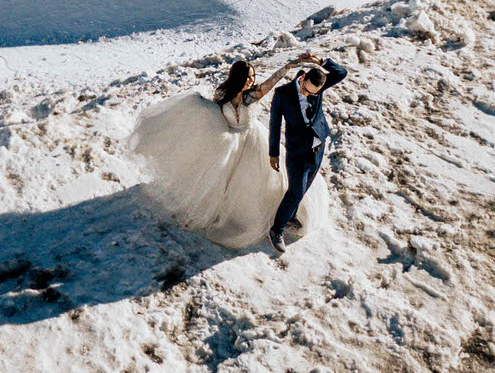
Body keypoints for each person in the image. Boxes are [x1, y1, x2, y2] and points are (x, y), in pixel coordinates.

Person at [129, 53, 325, 249]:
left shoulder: (252, 95)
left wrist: (289, 66)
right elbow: (212, 115)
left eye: (253, 76)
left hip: (252, 141)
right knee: (223, 182)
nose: (252, 80)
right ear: (238, 77)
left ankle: (280, 217)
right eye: (248, 76)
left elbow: (271, 82)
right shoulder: (223, 97)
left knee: (254, 183)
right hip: (230, 143)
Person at [267, 59, 349, 255]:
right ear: (302, 79)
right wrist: (273, 153)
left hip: (317, 147)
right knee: (295, 191)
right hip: (296, 152)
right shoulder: (282, 94)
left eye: (313, 93)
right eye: (306, 90)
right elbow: (275, 125)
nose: (309, 95)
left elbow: (341, 73)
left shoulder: (317, 85)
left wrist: (322, 62)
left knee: (305, 186)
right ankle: (276, 230)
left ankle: (290, 216)